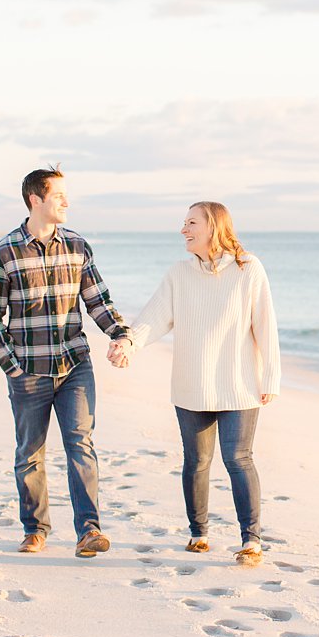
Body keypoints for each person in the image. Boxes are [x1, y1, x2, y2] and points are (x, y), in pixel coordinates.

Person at [108, 202, 280, 566]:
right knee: (197, 462)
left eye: (191, 223)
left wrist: (271, 377)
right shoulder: (179, 274)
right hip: (191, 384)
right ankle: (198, 532)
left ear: (213, 226)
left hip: (239, 384)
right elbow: (154, 317)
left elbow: (265, 325)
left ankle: (252, 540)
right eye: (184, 223)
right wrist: (129, 343)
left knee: (238, 458)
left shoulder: (249, 269)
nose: (183, 230)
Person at [0, 166, 133, 558]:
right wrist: (12, 366)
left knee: (80, 445)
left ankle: (89, 531)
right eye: (59, 195)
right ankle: (35, 529)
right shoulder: (3, 251)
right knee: (29, 452)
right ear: (36, 199)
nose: (67, 202)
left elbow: (98, 300)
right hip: (28, 371)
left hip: (74, 365)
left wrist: (121, 335)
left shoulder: (78, 246)